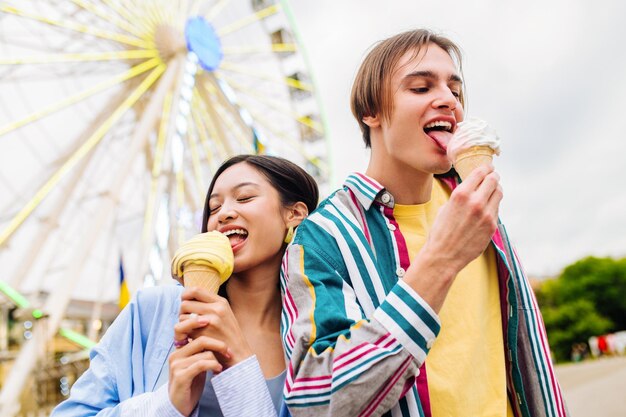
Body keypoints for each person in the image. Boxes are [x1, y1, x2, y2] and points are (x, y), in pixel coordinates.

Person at [280, 29, 568, 417]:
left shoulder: (476, 205)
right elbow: (313, 399)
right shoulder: (321, 239)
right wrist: (442, 259)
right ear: (371, 112)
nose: (448, 101)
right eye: (420, 88)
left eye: (456, 91)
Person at [52, 155, 318, 417]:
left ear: (294, 214)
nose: (223, 214)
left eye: (245, 197)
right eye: (213, 208)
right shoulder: (152, 311)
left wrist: (240, 366)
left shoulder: (319, 333)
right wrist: (167, 405)